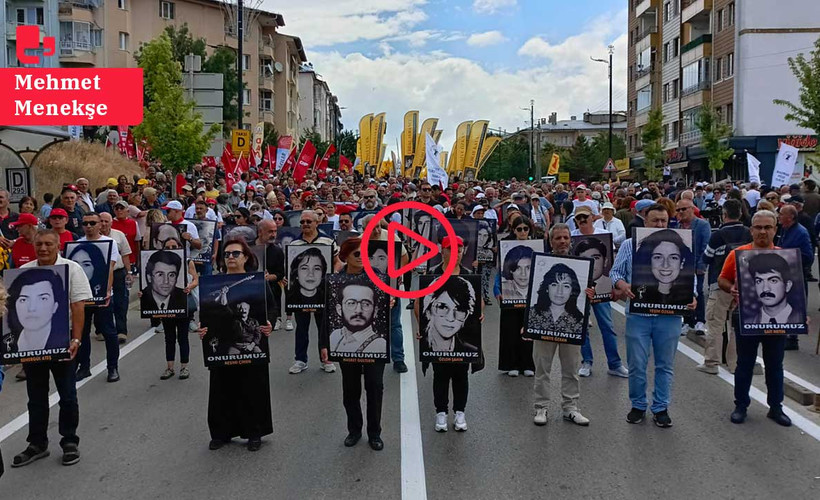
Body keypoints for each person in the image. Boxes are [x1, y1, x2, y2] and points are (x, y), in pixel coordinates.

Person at [610, 203, 697, 428]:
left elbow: (690, 278)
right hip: (639, 315)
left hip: (669, 316)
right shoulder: (631, 245)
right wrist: (622, 284)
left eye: (663, 221)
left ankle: (660, 407)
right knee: (637, 363)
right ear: (644, 221)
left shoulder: (682, 243)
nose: (659, 225)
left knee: (665, 364)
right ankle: (638, 404)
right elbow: (615, 271)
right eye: (655, 221)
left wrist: (693, 295)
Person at [12, 229, 91, 468]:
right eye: (39, 245)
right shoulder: (24, 272)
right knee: (35, 397)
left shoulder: (72, 269)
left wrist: (76, 339)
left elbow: (78, 306)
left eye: (48, 244)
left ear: (58, 246)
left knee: (67, 394)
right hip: (31, 348)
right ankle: (37, 443)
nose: (43, 248)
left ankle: (69, 441)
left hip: (63, 343)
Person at [198, 239, 274, 451]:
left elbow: (270, 309)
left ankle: (254, 432)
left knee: (252, 388)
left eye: (235, 253)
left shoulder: (258, 282)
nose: (230, 257)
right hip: (224, 343)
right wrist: (203, 329)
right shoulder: (214, 283)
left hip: (250, 343)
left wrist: (269, 325)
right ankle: (221, 433)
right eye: (227, 254)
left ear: (246, 257)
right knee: (222, 389)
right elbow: (209, 314)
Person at [718, 210, 792, 427]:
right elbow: (722, 279)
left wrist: (798, 314)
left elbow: (794, 290)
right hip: (746, 316)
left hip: (777, 321)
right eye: (758, 227)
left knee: (775, 365)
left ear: (775, 229)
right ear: (751, 230)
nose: (762, 231)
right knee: (744, 364)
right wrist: (731, 288)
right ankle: (741, 405)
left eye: (767, 227)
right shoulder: (737, 254)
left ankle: (776, 407)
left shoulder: (785, 256)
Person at [320, 238, 388, 450]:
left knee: (375, 387)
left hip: (375, 344)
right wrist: (324, 344)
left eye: (366, 254)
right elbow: (326, 313)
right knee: (350, 389)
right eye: (357, 254)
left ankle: (374, 432)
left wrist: (391, 302)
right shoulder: (334, 280)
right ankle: (354, 429)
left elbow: (387, 310)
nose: (363, 258)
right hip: (343, 344)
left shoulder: (379, 278)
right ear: (346, 256)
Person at [416, 236, 484, 433]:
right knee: (440, 375)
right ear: (442, 251)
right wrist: (420, 327)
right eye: (450, 248)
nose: (455, 252)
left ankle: (460, 412)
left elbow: (477, 303)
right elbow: (419, 304)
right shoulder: (432, 274)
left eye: (459, 248)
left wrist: (481, 314)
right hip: (435, 347)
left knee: (461, 374)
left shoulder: (469, 275)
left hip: (463, 345)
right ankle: (441, 412)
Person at [532, 223, 590, 427]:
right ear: (551, 241)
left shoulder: (582, 265)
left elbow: (589, 292)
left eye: (566, 237)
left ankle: (571, 408)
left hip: (572, 325)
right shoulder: (540, 264)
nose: (563, 241)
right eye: (558, 238)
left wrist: (590, 293)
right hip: (543, 325)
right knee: (542, 368)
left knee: (571, 368)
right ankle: (541, 407)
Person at [698, 199, 752, 375]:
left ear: (724, 214)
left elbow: (707, 258)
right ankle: (735, 363)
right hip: (744, 285)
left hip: (719, 284)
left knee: (715, 323)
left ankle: (711, 362)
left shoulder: (718, 235)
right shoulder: (748, 233)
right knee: (738, 326)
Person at [287, 210, 340, 375]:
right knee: (301, 327)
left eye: (309, 221)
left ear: (317, 222)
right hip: (300, 295)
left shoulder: (328, 240)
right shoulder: (294, 244)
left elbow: (337, 262)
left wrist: (333, 274)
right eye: (302, 222)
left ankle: (326, 359)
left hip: (323, 292)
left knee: (323, 326)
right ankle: (300, 359)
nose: (305, 225)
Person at [75, 213, 121, 383]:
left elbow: (110, 267)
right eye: (85, 223)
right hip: (82, 298)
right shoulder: (77, 245)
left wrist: (107, 291)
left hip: (103, 296)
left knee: (109, 332)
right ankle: (84, 367)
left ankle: (112, 367)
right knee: (82, 332)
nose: (89, 226)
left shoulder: (109, 243)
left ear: (99, 225)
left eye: (92, 223)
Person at [495, 215, 536, 377]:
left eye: (526, 228)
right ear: (514, 230)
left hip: (530, 299)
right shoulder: (506, 246)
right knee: (510, 332)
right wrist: (497, 292)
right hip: (509, 299)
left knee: (528, 333)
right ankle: (511, 364)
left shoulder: (536, 246)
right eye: (519, 229)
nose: (523, 232)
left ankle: (528, 364)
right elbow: (499, 272)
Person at [155, 237, 198, 381]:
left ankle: (184, 367)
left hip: (182, 304)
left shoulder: (187, 261)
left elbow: (195, 279)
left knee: (183, 337)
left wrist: (189, 287)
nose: (172, 249)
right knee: (169, 337)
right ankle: (170, 367)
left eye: (174, 246)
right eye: (168, 247)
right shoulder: (158, 263)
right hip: (166, 305)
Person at [2, 267, 69, 353]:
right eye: (23, 300)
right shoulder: (6, 342)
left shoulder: (63, 342)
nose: (31, 308)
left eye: (43, 299)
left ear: (55, 306)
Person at [774, 204, 812, 351]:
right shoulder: (784, 230)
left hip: (796, 273)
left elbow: (808, 256)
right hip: (783, 273)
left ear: (790, 217)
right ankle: (785, 333)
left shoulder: (801, 232)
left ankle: (793, 337)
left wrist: (788, 255)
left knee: (795, 304)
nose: (779, 216)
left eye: (781, 214)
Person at [631, 229, 695, 306]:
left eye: (673, 258)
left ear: (682, 263)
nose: (665, 265)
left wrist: (693, 297)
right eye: (658, 257)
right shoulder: (640, 294)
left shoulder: (686, 295)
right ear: (649, 261)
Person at [676, 198, 712, 336]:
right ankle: (687, 321)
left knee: (698, 291)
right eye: (678, 210)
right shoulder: (678, 227)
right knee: (684, 292)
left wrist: (701, 265)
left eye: (683, 209)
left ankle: (700, 321)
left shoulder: (702, 225)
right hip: (683, 266)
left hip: (697, 264)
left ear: (692, 209)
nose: (680, 212)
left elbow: (706, 246)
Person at [99, 212, 132, 344]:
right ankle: (102, 330)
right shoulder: (93, 237)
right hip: (101, 274)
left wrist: (129, 272)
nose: (103, 224)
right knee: (101, 303)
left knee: (121, 302)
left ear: (111, 222)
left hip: (118, 272)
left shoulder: (119, 235)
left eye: (106, 221)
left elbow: (125, 254)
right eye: (101, 221)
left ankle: (121, 331)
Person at [744, 253, 802, 324]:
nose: (765, 289)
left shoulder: (800, 319)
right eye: (759, 281)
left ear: (787, 286)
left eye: (773, 281)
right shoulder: (748, 322)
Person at [527, 263, 584, 334]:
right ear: (547, 288)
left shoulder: (578, 319)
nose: (559, 291)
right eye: (554, 285)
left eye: (566, 286)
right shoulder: (532, 313)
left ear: (572, 291)